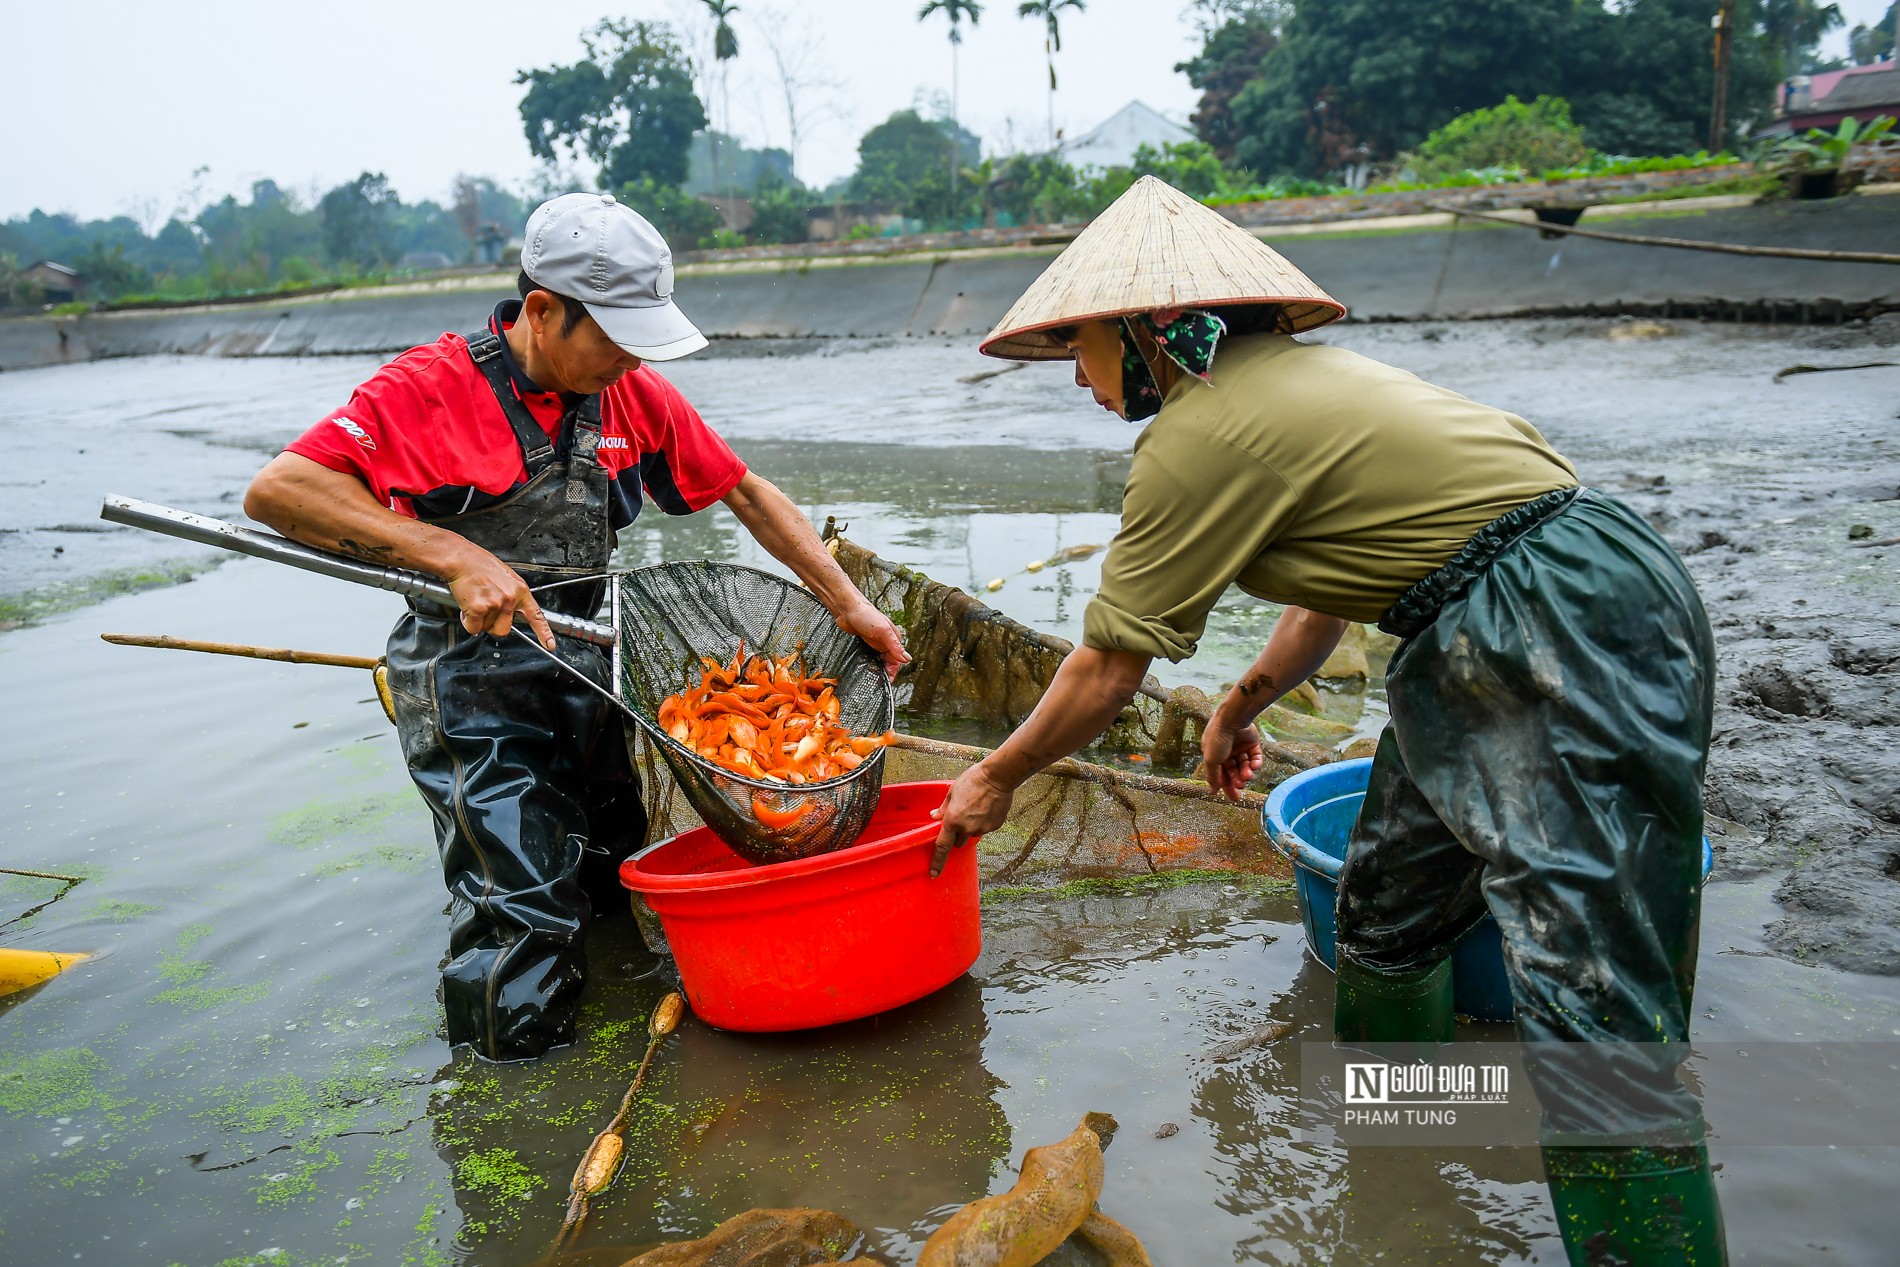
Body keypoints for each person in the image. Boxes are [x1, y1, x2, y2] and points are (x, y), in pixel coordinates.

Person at [931, 177, 1724, 1266]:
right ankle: (1402, 1172)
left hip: (1556, 623)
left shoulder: (1200, 431)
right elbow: (1330, 592)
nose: (1074, 371)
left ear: (1144, 334)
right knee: (1387, 918)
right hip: (1481, 628)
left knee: (1600, 1014)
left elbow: (1108, 668)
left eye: (1079, 344)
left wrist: (996, 775)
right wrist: (1241, 706)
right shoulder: (1299, 385)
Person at [246, 193, 906, 1062]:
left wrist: (845, 601)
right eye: (617, 335)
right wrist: (449, 553)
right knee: (520, 903)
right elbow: (280, 491)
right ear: (544, 311)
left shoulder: (632, 393)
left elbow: (743, 490)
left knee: (611, 862)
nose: (632, 358)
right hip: (465, 682)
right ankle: (513, 1086)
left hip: (586, 663)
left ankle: (633, 1044)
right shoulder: (429, 388)